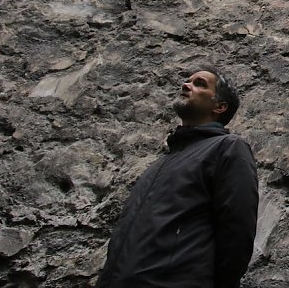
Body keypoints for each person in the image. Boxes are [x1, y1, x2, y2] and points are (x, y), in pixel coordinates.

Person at [97, 67, 259, 288]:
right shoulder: (160, 165)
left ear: (219, 106)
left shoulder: (227, 148)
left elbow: (237, 230)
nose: (185, 85)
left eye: (200, 83)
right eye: (188, 80)